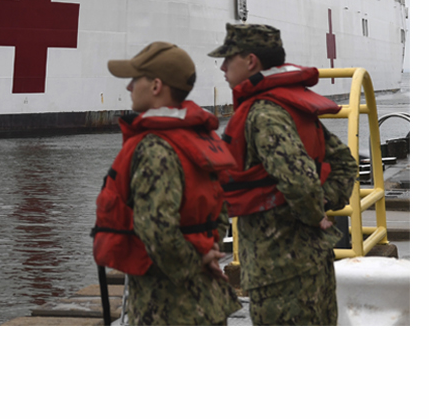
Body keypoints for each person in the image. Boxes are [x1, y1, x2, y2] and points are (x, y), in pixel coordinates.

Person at [209, 23, 358, 325]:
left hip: (278, 270)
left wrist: (315, 212)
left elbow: (298, 181)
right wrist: (326, 203)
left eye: (228, 58)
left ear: (251, 61)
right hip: (313, 260)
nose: (222, 66)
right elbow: (344, 162)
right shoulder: (289, 106)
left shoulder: (263, 114)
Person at [92, 41, 238, 325]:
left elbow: (157, 230)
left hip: (167, 306)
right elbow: (219, 210)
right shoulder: (199, 139)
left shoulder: (155, 148)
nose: (129, 87)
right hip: (206, 301)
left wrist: (198, 261)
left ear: (157, 86)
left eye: (135, 79)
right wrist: (208, 253)